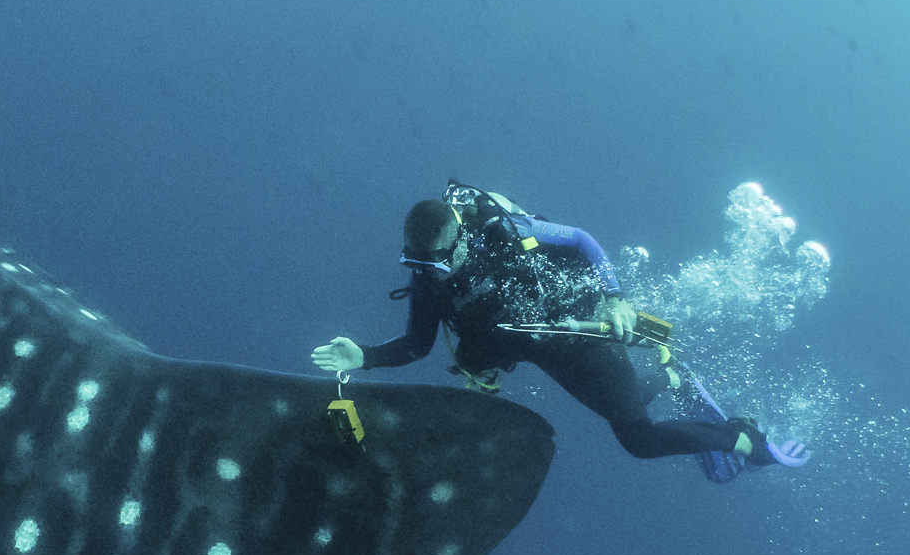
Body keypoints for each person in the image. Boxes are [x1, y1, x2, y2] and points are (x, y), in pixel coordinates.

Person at [312, 183, 807, 472]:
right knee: (612, 397)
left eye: (435, 261)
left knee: (637, 437)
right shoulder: (430, 278)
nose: (427, 272)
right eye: (416, 261)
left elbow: (581, 240)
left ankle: (743, 438)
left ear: (458, 237)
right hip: (520, 343)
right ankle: (671, 377)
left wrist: (614, 298)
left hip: (570, 331)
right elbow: (418, 345)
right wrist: (365, 356)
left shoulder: (502, 232)